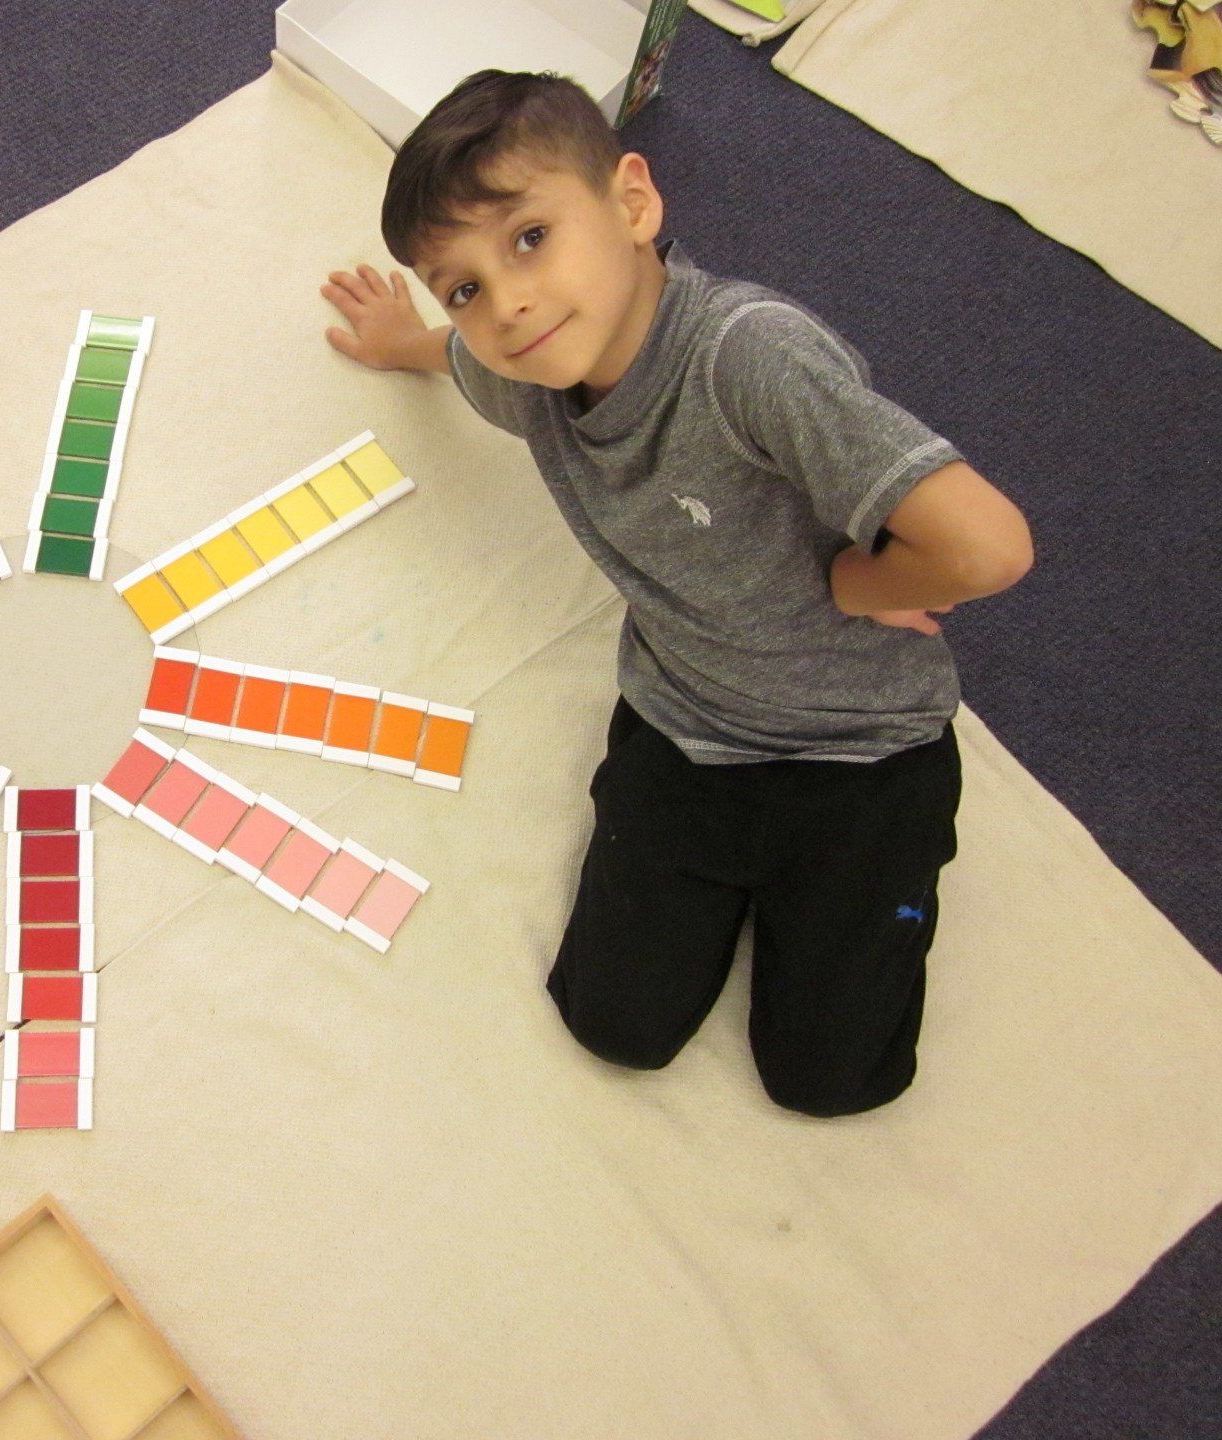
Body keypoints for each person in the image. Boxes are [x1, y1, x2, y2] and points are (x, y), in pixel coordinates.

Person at [320, 70, 1034, 1117]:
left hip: (863, 748)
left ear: (633, 203)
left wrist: (861, 576)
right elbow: (463, 363)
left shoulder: (749, 357)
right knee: (612, 1024)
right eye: (462, 287)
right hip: (686, 721)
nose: (506, 303)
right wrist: (402, 342)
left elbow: (990, 547)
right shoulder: (525, 373)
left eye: (527, 238)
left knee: (828, 1079)